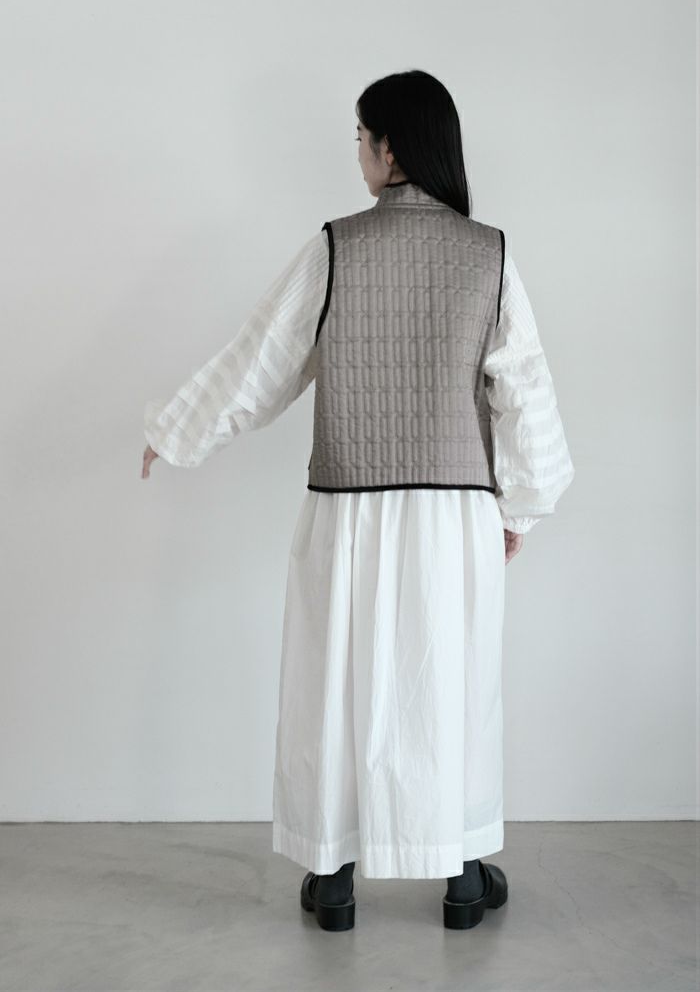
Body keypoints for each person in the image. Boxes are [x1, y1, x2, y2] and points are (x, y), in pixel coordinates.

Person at [142, 70, 575, 933]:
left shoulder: (337, 248)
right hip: (453, 516)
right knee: (449, 687)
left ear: (391, 149)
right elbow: (524, 393)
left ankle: (334, 878)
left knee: (335, 684)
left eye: (361, 138)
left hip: (349, 510)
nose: (358, 153)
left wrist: (177, 430)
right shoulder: (488, 254)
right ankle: (460, 877)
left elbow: (260, 359)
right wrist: (518, 510)